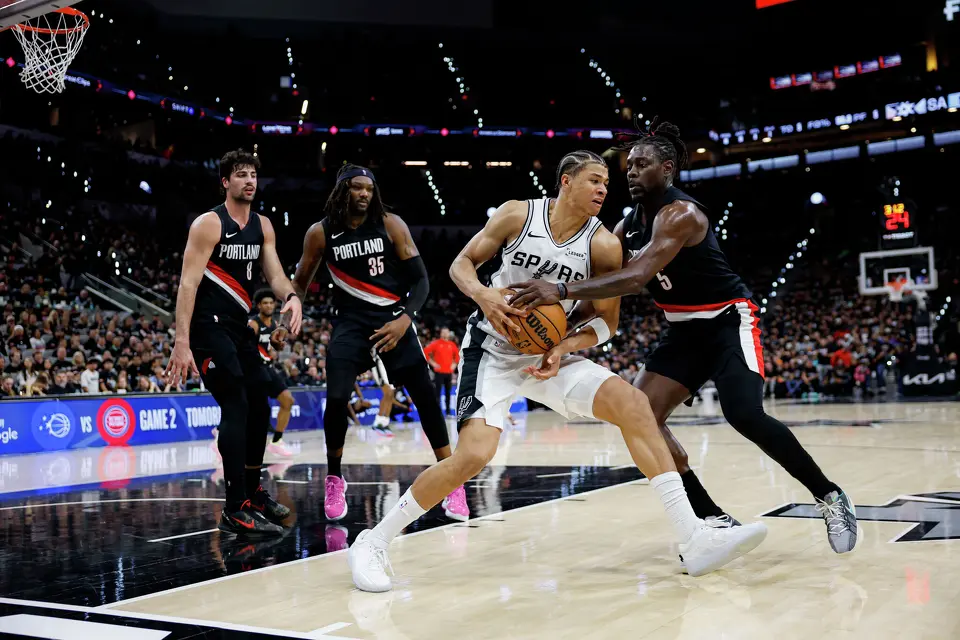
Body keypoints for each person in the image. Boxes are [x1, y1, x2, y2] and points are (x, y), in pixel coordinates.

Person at [348, 150, 768, 593]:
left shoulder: (605, 243)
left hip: (549, 352)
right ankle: (373, 541)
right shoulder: (517, 214)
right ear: (566, 182)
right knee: (474, 456)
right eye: (593, 180)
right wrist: (485, 298)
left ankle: (693, 536)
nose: (604, 189)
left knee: (635, 404)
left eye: (606, 182)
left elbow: (607, 322)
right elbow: (460, 265)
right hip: (492, 351)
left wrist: (564, 345)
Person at [509, 119, 857, 554]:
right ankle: (712, 518)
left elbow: (635, 277)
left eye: (641, 164)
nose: (631, 172)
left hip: (727, 323)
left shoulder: (682, 214)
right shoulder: (625, 225)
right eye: (629, 166)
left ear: (668, 169)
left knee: (744, 414)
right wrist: (558, 329)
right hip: (682, 331)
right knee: (641, 416)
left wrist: (558, 290)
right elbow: (602, 289)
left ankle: (829, 495)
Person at [293, 164, 468, 523]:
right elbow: (299, 282)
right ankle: (335, 477)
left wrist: (405, 320)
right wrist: (289, 314)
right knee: (338, 397)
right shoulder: (320, 233)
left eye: (369, 189)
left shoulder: (391, 224)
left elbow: (421, 282)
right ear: (342, 190)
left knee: (426, 399)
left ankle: (453, 483)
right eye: (357, 188)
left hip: (394, 321)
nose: (364, 194)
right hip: (350, 324)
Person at [165, 148, 302, 537]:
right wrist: (181, 341)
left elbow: (274, 274)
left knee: (259, 402)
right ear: (225, 182)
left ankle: (255, 493)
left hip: (239, 328)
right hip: (207, 329)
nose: (249, 181)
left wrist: (290, 297)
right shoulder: (209, 224)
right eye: (241, 175)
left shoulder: (263, 226)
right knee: (237, 401)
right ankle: (234, 506)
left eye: (253, 175)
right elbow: (188, 283)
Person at [249, 290, 296, 457]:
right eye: (265, 303)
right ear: (259, 306)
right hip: (255, 369)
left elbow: (273, 348)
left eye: (271, 302)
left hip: (268, 367)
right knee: (256, 410)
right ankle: (222, 434)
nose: (268, 305)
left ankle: (276, 441)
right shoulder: (253, 324)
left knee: (288, 400)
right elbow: (247, 349)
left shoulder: (275, 325)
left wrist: (275, 352)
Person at [423, 327, 459, 415]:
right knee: (437, 393)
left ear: (449, 334)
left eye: (446, 332)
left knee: (448, 393)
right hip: (439, 372)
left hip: (449, 372)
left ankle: (448, 412)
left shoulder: (452, 344)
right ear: (440, 334)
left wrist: (454, 365)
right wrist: (433, 364)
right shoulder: (436, 344)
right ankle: (437, 413)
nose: (445, 334)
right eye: (443, 332)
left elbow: (457, 356)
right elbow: (425, 352)